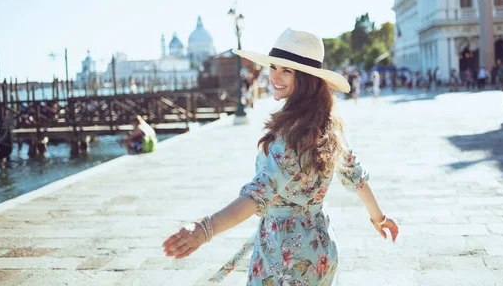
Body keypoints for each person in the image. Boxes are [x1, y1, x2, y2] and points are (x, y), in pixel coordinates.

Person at [162, 28, 399, 285]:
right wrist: (380, 218)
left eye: (287, 70)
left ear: (308, 78)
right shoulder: (328, 122)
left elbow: (258, 195)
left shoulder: (293, 133)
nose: (275, 76)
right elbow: (356, 178)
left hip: (284, 254)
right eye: (274, 67)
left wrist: (204, 230)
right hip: (319, 246)